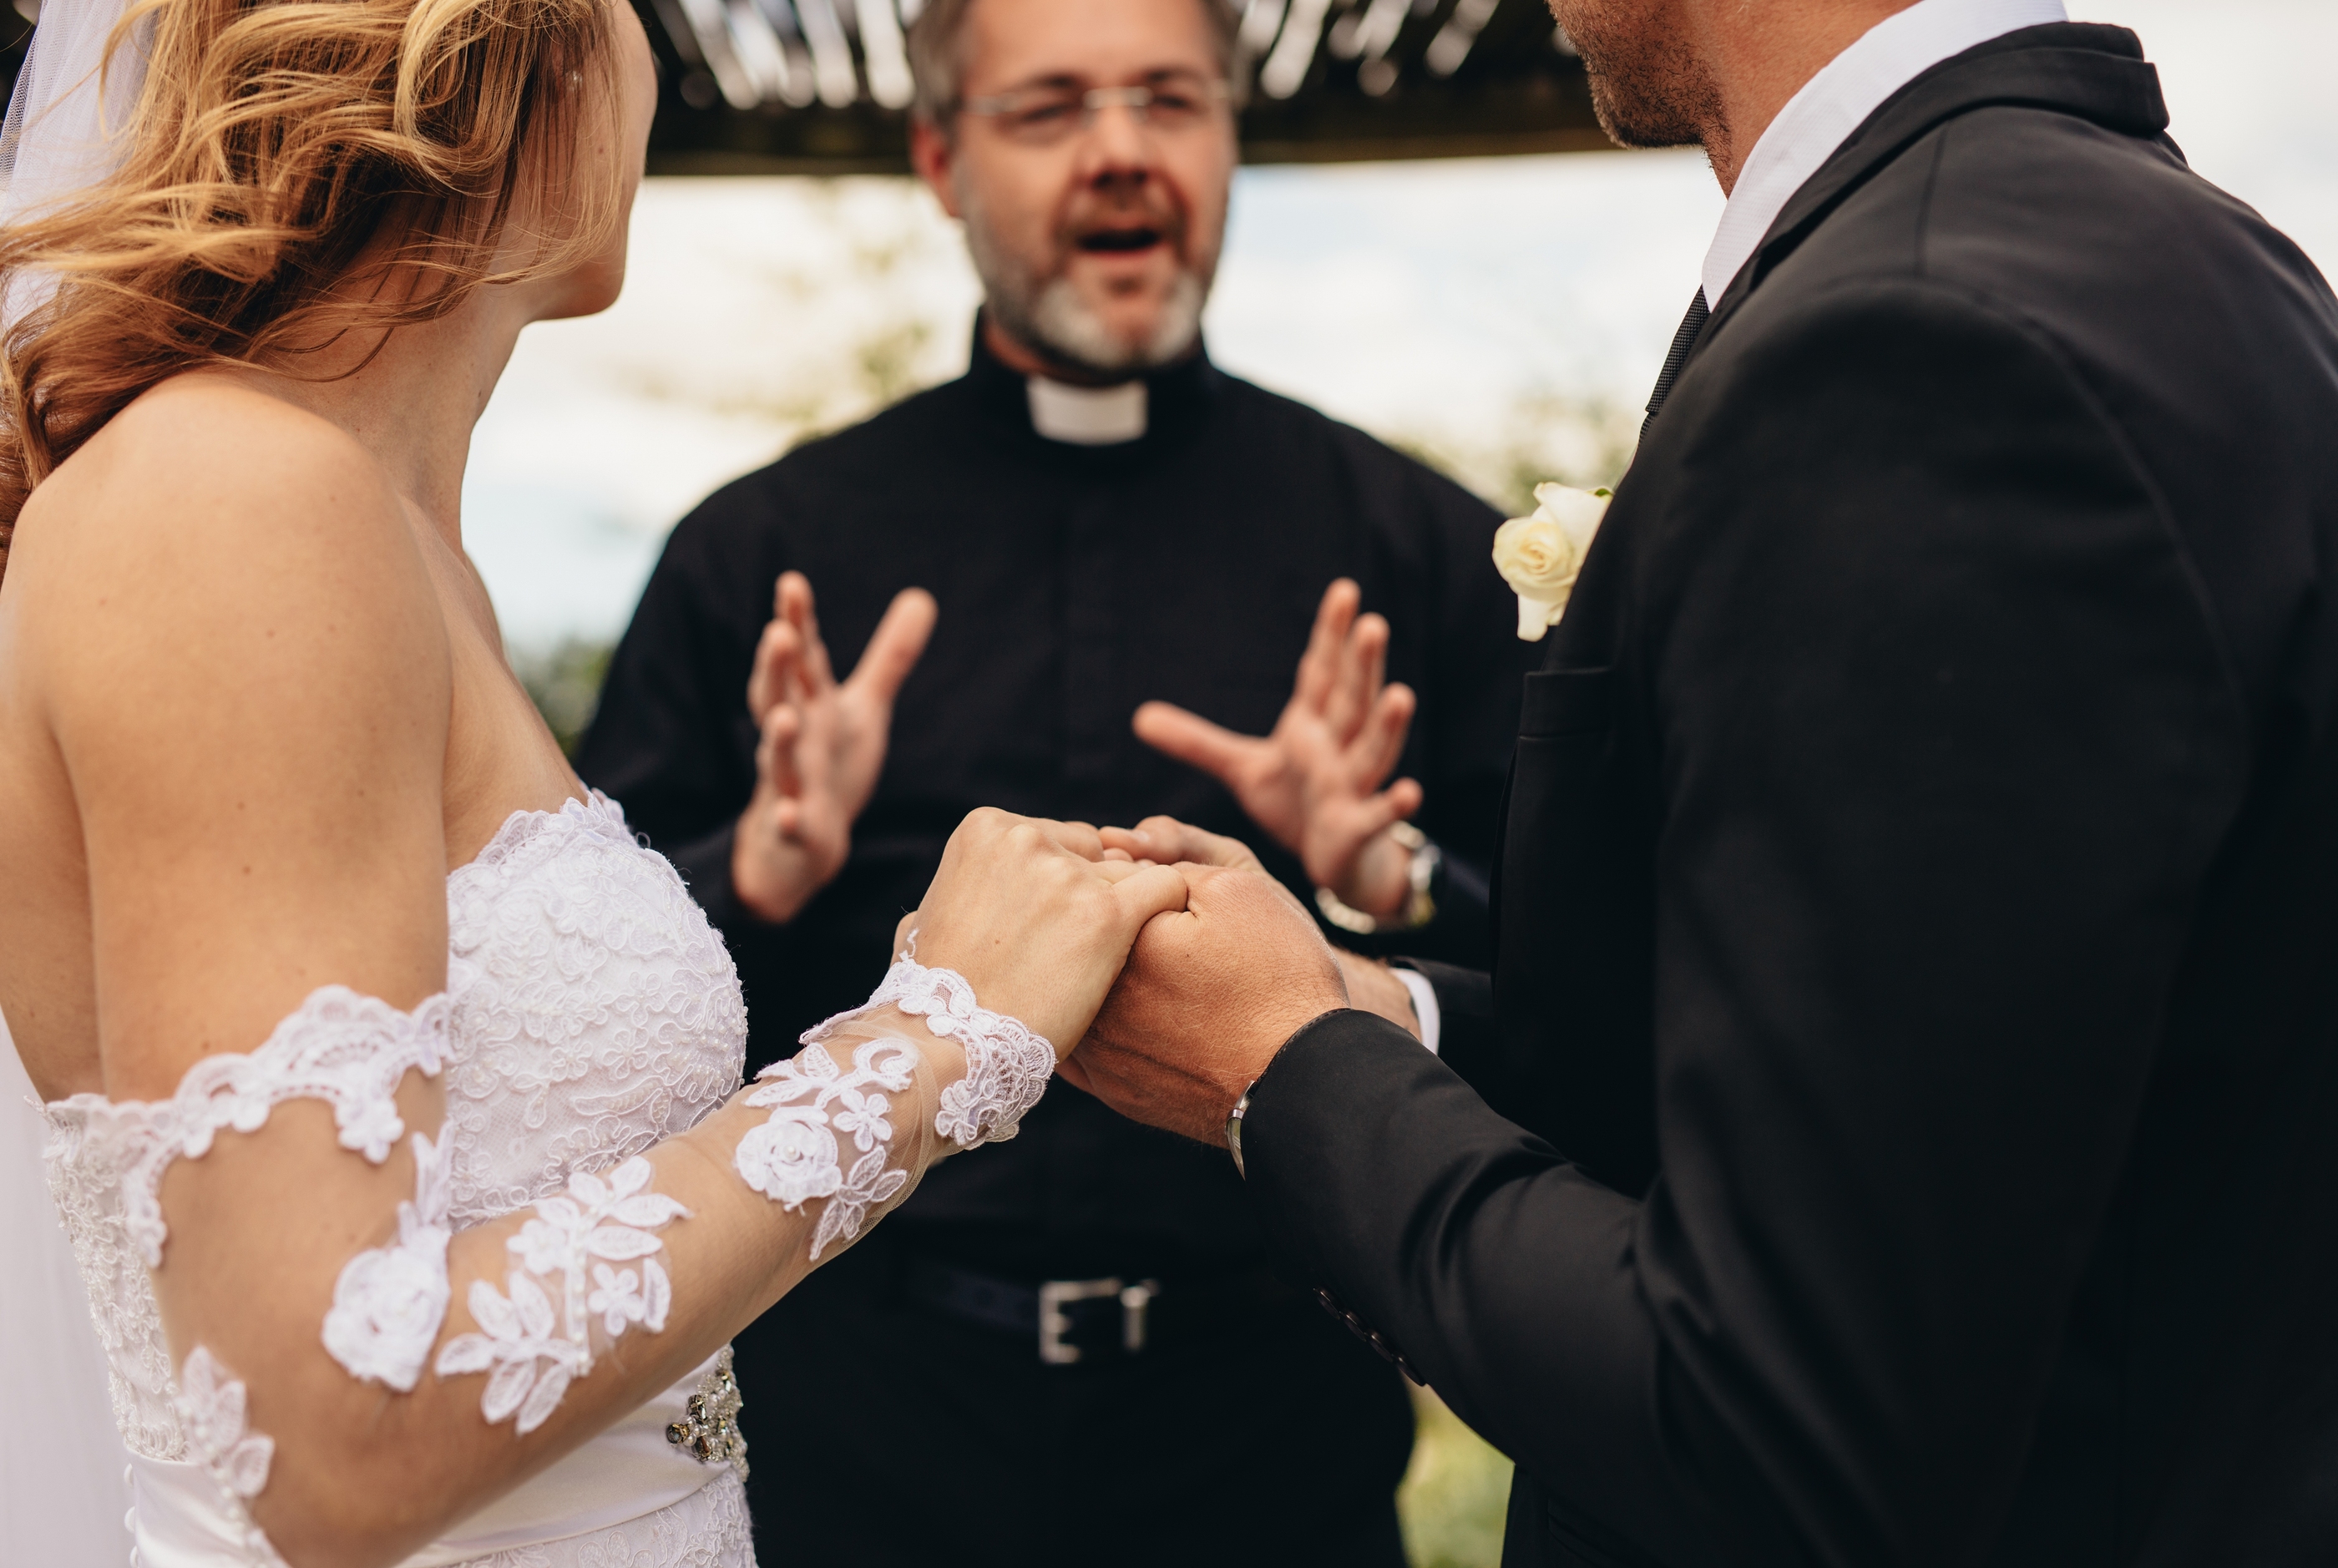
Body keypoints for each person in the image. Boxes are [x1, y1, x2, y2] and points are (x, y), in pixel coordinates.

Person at [1060, 1, 2338, 1565]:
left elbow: (1775, 1421)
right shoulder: (2135, 248)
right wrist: (1397, 1011)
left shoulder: (1925, 344)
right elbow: (1924, 1072)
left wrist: (1289, 1064)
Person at [0, 0, 1193, 1562]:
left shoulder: (399, 545)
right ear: (518, 48)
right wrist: (937, 1043)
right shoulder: (238, 503)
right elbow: (335, 1431)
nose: (656, 58)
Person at [578, 0, 1533, 1558]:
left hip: (1275, 1435)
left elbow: (1583, 979)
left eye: (1170, 99)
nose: (1120, 155)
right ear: (941, 159)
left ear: (1227, 138)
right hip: (865, 1435)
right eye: (1049, 110)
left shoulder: (1413, 543)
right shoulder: (758, 555)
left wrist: (1397, 881)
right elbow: (592, 1009)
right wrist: (754, 868)